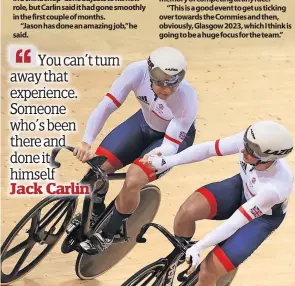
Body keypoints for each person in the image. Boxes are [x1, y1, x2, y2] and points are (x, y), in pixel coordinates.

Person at [147, 120, 294, 286]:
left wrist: (200, 246)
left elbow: (236, 223)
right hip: (242, 188)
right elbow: (207, 149)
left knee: (208, 271)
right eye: (245, 145)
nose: (244, 150)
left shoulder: (275, 187)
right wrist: (168, 161)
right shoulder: (251, 143)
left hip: (260, 218)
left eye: (251, 151)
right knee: (187, 212)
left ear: (269, 158)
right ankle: (176, 264)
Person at [68, 46, 198, 254]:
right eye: (159, 83)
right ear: (149, 73)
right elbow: (106, 106)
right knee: (98, 169)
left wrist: (157, 155)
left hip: (171, 140)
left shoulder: (186, 98)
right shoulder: (136, 71)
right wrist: (86, 141)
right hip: (143, 124)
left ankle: (109, 233)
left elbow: (170, 145)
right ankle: (96, 211)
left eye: (172, 84)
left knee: (133, 178)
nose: (165, 90)